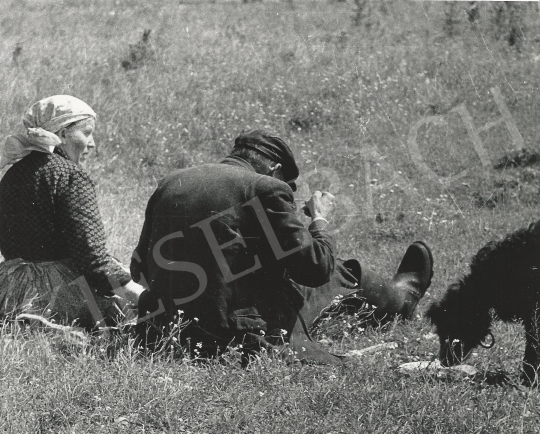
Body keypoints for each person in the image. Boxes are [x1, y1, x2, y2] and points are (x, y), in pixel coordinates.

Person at [132, 130, 433, 363]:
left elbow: (138, 268)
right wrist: (319, 221)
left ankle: (392, 299)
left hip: (162, 328)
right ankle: (400, 299)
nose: (288, 192)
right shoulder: (266, 187)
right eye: (289, 186)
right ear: (275, 169)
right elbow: (316, 268)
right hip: (227, 333)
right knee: (339, 273)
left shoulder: (172, 180)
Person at [0, 95, 144, 328]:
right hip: (56, 291)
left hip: (11, 287)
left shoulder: (12, 174)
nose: (92, 143)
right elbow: (93, 260)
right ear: (63, 134)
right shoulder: (69, 175)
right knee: (137, 313)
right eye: (87, 133)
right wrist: (143, 296)